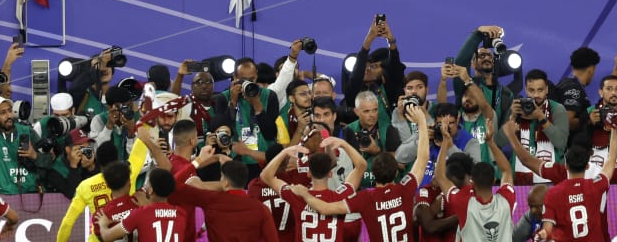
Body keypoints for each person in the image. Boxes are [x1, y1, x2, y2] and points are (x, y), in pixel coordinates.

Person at [292, 103, 429, 241]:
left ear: (373, 175)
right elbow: (423, 158)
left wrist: (305, 194)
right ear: (395, 174)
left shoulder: (365, 199)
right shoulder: (405, 189)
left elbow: (325, 209)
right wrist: (422, 122)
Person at [170, 160, 281, 242]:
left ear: (226, 182)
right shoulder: (261, 209)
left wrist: (197, 162)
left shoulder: (210, 200)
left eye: (221, 178)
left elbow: (170, 187)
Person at [98, 167, 188, 242]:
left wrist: (102, 224)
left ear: (151, 190)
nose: (145, 186)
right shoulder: (182, 214)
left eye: (147, 183)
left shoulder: (140, 213)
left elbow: (107, 237)